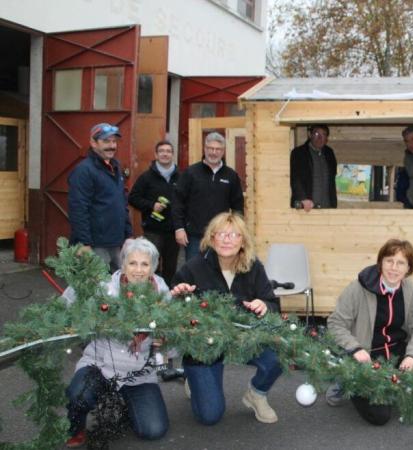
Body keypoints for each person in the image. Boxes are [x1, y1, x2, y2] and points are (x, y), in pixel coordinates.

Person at [170, 212, 282, 425]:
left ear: (243, 241)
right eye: (220, 234)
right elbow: (170, 312)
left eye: (234, 234)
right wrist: (179, 295)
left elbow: (273, 305)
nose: (227, 239)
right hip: (205, 347)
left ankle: (256, 393)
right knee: (210, 416)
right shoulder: (193, 268)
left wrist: (264, 305)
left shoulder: (253, 267)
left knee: (281, 353)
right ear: (211, 239)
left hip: (243, 340)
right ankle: (193, 378)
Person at [326, 239, 413, 426]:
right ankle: (347, 381)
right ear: (380, 263)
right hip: (366, 357)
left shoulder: (410, 290)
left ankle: (397, 381)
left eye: (401, 263)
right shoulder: (358, 289)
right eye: (389, 261)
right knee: (380, 416)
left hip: (396, 350)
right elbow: (336, 324)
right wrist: (355, 348)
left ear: (408, 268)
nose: (394, 268)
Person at [64, 238, 170, 447]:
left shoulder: (163, 296)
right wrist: (81, 282)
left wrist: (165, 342)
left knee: (153, 429)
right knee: (79, 395)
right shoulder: (104, 289)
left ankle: (126, 404)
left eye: (144, 264)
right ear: (123, 264)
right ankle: (76, 425)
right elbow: (67, 305)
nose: (138, 270)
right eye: (132, 263)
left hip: (139, 374)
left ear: (153, 268)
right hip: (100, 365)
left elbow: (175, 346)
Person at [68, 123, 132, 271]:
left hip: (115, 242)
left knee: (116, 288)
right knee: (96, 289)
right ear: (93, 143)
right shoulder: (84, 171)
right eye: (106, 141)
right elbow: (78, 209)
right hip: (95, 245)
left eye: (114, 141)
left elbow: (121, 204)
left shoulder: (115, 168)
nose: (112, 146)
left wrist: (128, 235)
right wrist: (84, 243)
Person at [172, 132, 244, 261]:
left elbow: (238, 206)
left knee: (219, 273)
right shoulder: (191, 173)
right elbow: (177, 202)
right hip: (194, 236)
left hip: (221, 236)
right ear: (204, 149)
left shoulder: (231, 175)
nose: (214, 152)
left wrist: (236, 231)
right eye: (210, 148)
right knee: (194, 273)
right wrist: (179, 228)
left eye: (218, 149)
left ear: (223, 152)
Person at [128, 140, 180, 284]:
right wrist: (151, 206)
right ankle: (151, 295)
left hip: (173, 230)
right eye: (162, 151)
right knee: (150, 265)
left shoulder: (181, 177)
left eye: (168, 151)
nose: (165, 154)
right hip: (153, 230)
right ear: (156, 155)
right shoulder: (146, 177)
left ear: (172, 155)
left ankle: (168, 297)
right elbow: (133, 198)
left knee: (171, 267)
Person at [290, 124, 337, 211]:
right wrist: (302, 199)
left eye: (323, 134)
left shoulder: (329, 153)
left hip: (327, 208)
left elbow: (332, 178)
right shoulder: (299, 153)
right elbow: (295, 178)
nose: (320, 137)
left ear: (327, 138)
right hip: (306, 208)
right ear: (310, 135)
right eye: (316, 134)